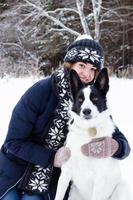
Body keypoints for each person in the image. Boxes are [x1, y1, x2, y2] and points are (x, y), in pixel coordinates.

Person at [0, 34, 130, 200]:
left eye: (92, 69)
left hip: (49, 180)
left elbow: (117, 138)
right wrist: (51, 157)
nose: (86, 74)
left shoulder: (91, 104)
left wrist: (117, 146)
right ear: (70, 65)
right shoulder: (40, 91)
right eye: (82, 65)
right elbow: (13, 143)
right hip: (16, 170)